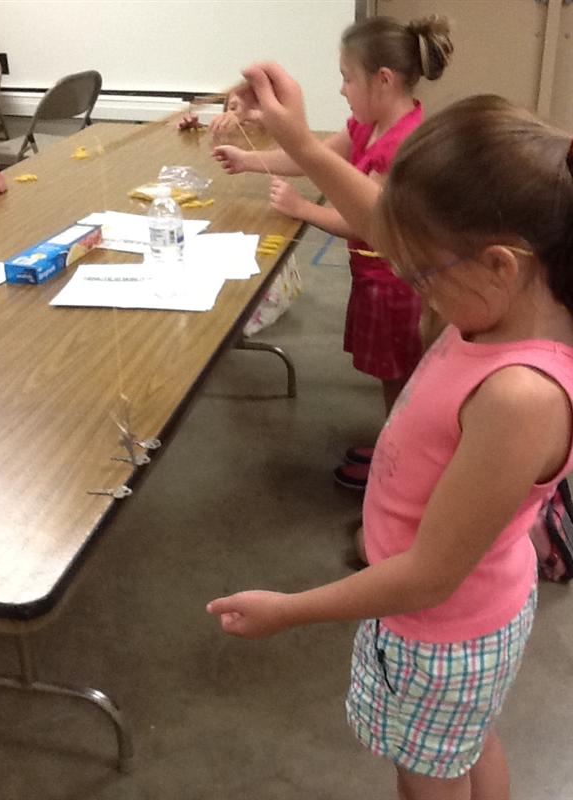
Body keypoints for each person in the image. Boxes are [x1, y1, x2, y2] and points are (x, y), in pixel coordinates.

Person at [207, 64, 573, 800]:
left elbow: (432, 573)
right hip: (456, 619)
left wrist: (291, 610)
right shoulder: (509, 304)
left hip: (440, 632)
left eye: (425, 271)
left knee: (427, 779)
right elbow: (393, 228)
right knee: (468, 742)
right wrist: (299, 143)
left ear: (498, 265)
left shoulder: (520, 396)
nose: (412, 277)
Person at [213, 16, 454, 491]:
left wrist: (304, 209)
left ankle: (398, 471)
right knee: (390, 378)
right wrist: (249, 161)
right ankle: (392, 448)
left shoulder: (401, 144)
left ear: (383, 80)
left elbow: (374, 223)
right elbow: (312, 157)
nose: (341, 90)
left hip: (395, 285)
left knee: (399, 381)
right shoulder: (367, 125)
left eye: (347, 78)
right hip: (372, 278)